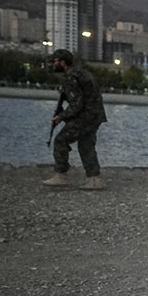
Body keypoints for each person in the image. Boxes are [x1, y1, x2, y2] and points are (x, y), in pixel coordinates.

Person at [42, 49, 108, 190]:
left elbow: (77, 103)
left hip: (86, 115)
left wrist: (61, 117)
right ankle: (94, 179)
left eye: (55, 61)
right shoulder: (80, 72)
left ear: (63, 63)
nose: (53, 64)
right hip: (96, 115)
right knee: (86, 145)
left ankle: (61, 175)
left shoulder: (71, 76)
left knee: (61, 140)